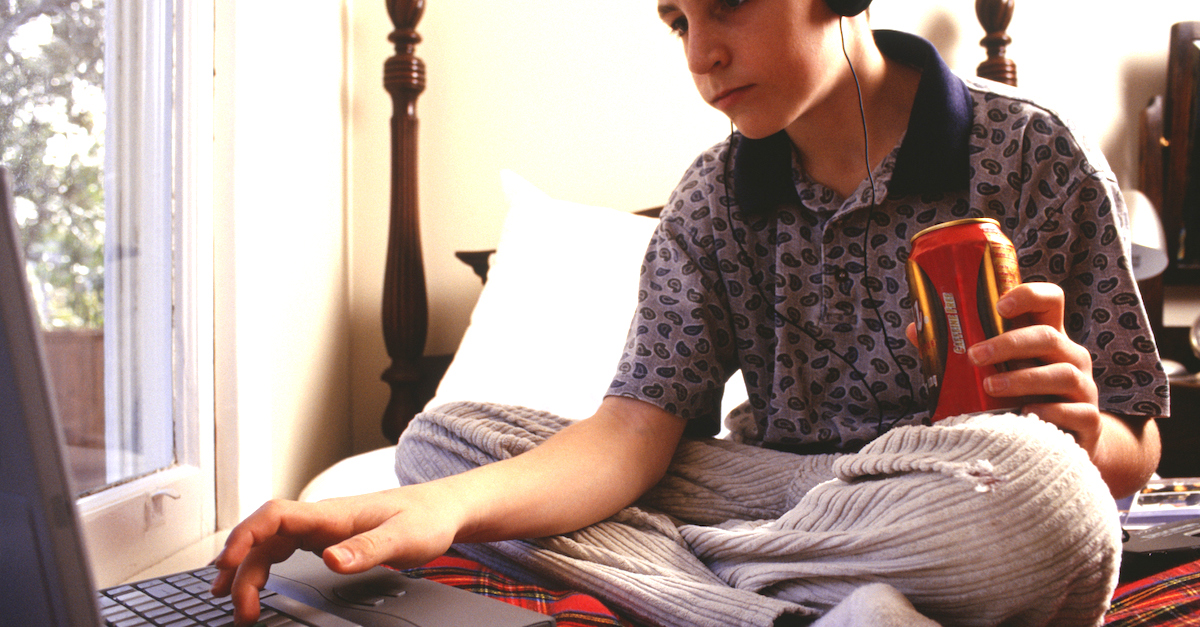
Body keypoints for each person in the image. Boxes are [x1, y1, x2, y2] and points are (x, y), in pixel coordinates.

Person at [212, 0, 1165, 625]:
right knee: (441, 445)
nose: (702, 54)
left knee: (1056, 504)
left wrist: (1079, 435)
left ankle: (710, 587)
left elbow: (1134, 440)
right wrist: (425, 510)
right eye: (676, 20)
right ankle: (783, 608)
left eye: (727, 6)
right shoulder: (709, 199)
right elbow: (632, 433)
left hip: (964, 489)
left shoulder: (1034, 153)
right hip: (772, 490)